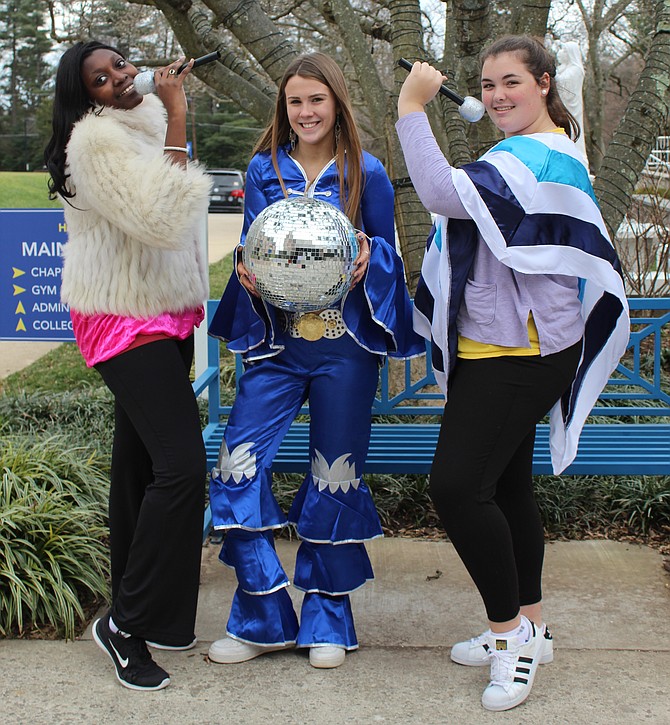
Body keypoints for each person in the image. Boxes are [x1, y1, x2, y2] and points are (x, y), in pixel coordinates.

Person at [396, 36, 628, 711]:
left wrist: (412, 108)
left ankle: (511, 637)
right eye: (488, 84)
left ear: (545, 83)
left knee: (458, 486)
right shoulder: (526, 151)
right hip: (508, 344)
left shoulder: (538, 154)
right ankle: (532, 621)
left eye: (511, 82)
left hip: (520, 354)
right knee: (506, 486)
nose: (497, 95)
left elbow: (441, 192)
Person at [207, 51, 423, 670]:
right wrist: (245, 272)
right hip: (275, 351)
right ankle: (262, 614)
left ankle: (328, 618)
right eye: (295, 101)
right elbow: (253, 248)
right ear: (285, 107)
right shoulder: (262, 168)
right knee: (235, 470)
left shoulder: (367, 173)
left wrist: (369, 256)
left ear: (336, 105)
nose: (305, 112)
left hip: (343, 354)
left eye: (316, 100)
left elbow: (388, 251)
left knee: (334, 478)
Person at [44, 40, 211, 691]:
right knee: (181, 466)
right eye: (101, 78)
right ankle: (124, 620)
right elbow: (159, 218)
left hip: (164, 308)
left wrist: (168, 115)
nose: (118, 77)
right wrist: (178, 116)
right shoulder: (93, 143)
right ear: (87, 96)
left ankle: (148, 616)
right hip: (121, 314)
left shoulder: (137, 122)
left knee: (139, 469)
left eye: (119, 65)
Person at [556, 41, 589, 170]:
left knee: (573, 131)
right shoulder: (564, 69)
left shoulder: (575, 70)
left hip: (571, 108)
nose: (560, 53)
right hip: (562, 107)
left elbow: (565, 87)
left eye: (564, 50)